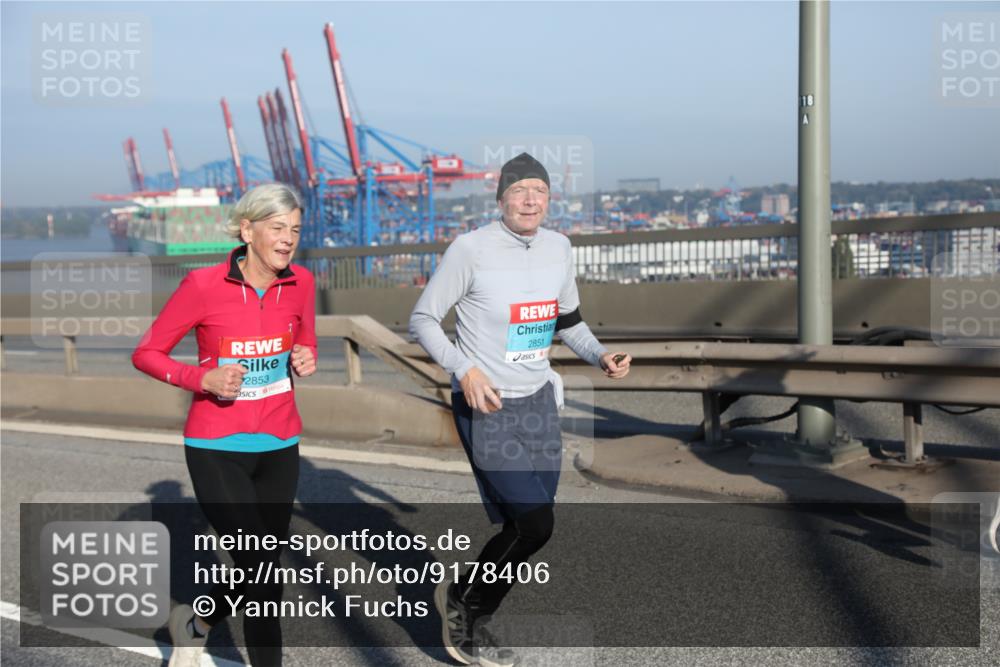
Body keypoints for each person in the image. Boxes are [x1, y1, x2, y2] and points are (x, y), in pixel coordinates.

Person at [410, 152, 631, 666]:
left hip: (538, 406)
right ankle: (468, 610)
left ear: (550, 199)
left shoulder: (559, 247)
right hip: (486, 404)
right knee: (536, 525)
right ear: (501, 198)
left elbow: (567, 321)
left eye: (540, 191)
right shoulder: (470, 249)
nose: (530, 200)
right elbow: (422, 319)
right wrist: (464, 369)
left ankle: (466, 598)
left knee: (525, 525)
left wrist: (600, 355)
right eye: (520, 191)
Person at [132, 183, 317, 667]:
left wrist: (304, 354)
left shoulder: (302, 283)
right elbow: (146, 353)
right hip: (217, 445)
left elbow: (307, 338)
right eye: (277, 228)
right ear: (247, 229)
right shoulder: (202, 286)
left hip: (279, 443)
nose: (287, 239)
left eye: (295, 230)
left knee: (261, 565)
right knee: (262, 571)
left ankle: (195, 623)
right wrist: (202, 378)